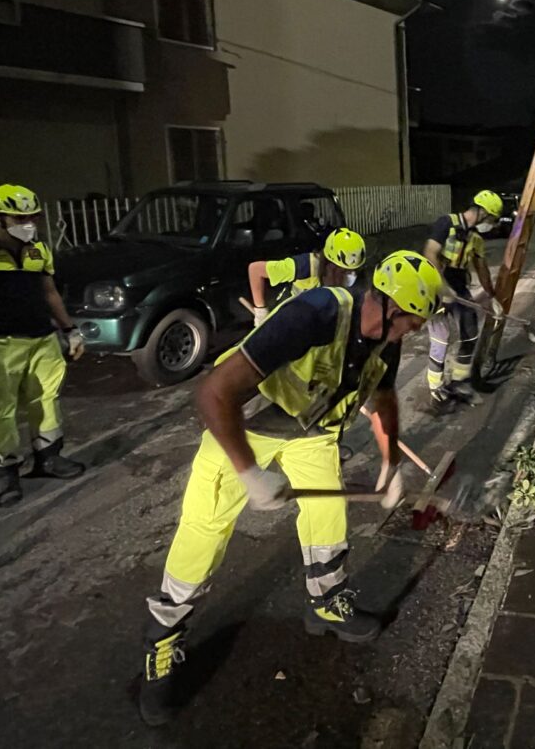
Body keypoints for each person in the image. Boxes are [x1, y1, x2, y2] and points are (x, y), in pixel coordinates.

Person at [138, 250, 442, 726]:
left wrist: (391, 462)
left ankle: (327, 603)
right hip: (246, 426)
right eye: (411, 323)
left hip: (311, 432)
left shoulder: (385, 339)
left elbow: (383, 400)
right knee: (204, 533)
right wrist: (248, 473)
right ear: (386, 304)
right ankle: (163, 639)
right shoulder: (314, 314)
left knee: (328, 516)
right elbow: (214, 393)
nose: (412, 334)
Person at [0, 184, 85, 508]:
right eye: (19, 218)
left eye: (33, 217)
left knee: (47, 401)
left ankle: (48, 458)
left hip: (42, 341)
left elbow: (49, 293)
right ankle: (5, 474)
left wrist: (71, 330)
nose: (29, 223)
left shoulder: (39, 250)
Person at [421, 190, 503, 411]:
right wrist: (442, 287)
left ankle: (459, 382)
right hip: (436, 286)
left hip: (458, 286)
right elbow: (430, 253)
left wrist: (492, 296)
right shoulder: (446, 223)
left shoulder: (476, 238)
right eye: (492, 219)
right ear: (484, 212)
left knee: (470, 332)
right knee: (441, 337)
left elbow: (482, 268)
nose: (491, 224)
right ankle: (436, 389)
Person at [247, 226, 367, 326]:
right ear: (330, 265)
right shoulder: (303, 266)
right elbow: (255, 270)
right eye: (344, 271)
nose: (350, 275)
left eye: (353, 271)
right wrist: (261, 311)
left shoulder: (355, 278)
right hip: (288, 320)